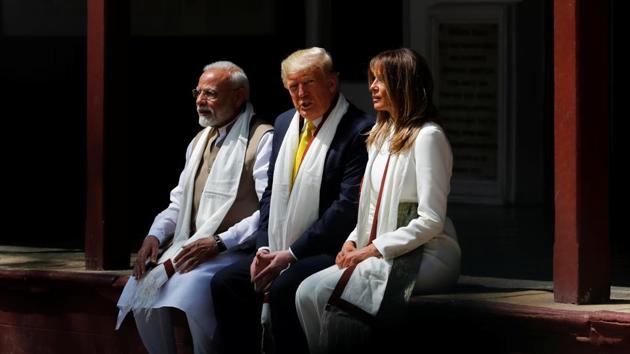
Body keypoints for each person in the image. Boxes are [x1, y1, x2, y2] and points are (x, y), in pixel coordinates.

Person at [295, 48, 461, 353]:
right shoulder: (381, 136)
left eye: (381, 80)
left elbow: (432, 219)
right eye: (372, 79)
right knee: (305, 291)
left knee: (325, 292)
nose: (372, 86)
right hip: (379, 251)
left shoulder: (428, 137)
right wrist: (352, 242)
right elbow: (370, 206)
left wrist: (372, 250)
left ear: (403, 84)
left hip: (425, 256)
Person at [211, 47, 374, 354]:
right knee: (226, 282)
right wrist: (263, 248)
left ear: (332, 83)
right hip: (276, 243)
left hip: (328, 248)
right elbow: (270, 192)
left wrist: (291, 254)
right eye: (293, 86)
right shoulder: (286, 122)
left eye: (308, 83)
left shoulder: (359, 129)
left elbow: (347, 206)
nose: (301, 94)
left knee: (288, 287)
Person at [115, 61, 273, 354]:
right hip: (194, 245)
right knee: (141, 287)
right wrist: (154, 236)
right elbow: (179, 201)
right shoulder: (200, 140)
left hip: (235, 249)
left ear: (238, 97)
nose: (200, 101)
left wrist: (219, 242)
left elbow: (270, 211)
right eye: (198, 92)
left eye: (210, 94)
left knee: (190, 288)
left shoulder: (263, 139)